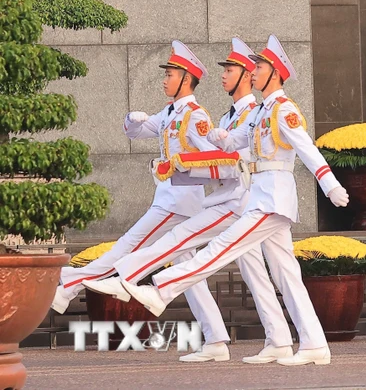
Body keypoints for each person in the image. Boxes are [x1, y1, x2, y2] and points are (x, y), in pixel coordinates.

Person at [122, 35, 351, 365]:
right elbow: (237, 142)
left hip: (272, 199)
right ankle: (307, 342)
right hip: (261, 194)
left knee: (223, 247)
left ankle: (163, 289)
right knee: (286, 273)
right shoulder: (262, 112)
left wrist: (329, 185)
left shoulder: (284, 110)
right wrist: (222, 137)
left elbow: (307, 149)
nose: (253, 71)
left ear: (276, 73)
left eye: (259, 67)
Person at [83, 38, 294, 362]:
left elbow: (235, 161)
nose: (225, 75)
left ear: (250, 72)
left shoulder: (254, 113)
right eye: (225, 69)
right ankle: (271, 340)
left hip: (246, 200)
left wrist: (181, 166)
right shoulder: (227, 118)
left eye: (232, 69)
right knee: (258, 274)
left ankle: (126, 276)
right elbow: (217, 164)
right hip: (237, 198)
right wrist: (179, 170)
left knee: (184, 242)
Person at [50, 42, 220, 335]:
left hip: (178, 203)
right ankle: (216, 336)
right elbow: (137, 132)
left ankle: (69, 286)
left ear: (186, 78)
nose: (165, 80)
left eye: (170, 74)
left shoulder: (196, 116)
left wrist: (179, 167)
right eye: (166, 74)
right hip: (170, 199)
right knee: (190, 277)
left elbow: (215, 158)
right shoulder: (170, 112)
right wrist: (132, 119)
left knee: (128, 246)